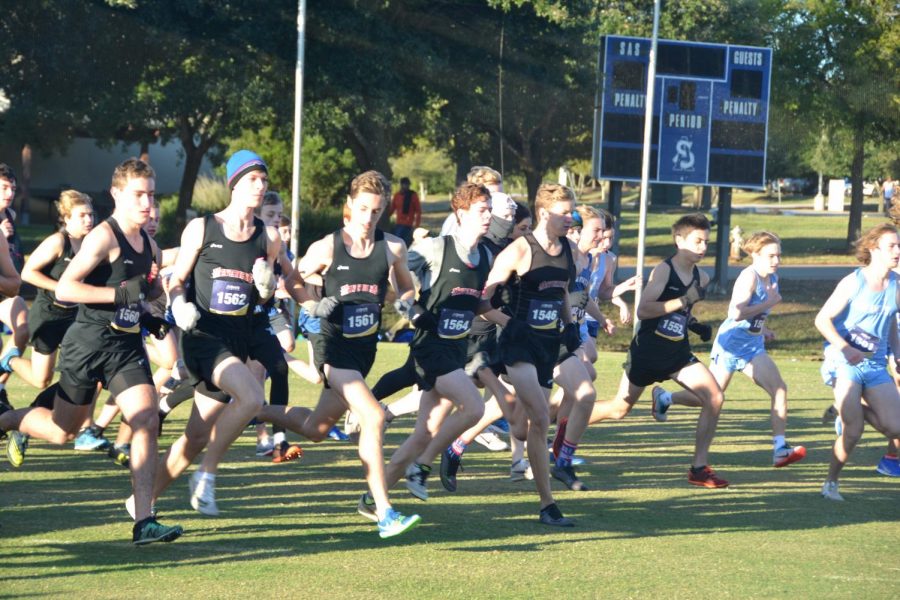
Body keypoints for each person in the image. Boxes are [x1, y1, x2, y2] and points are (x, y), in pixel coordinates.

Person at [0, 158, 182, 545]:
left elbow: (146, 293)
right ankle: (9, 421)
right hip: (86, 347)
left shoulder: (149, 244)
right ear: (117, 194)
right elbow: (66, 288)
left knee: (147, 417)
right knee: (63, 432)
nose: (147, 202)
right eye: (139, 194)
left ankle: (144, 520)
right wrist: (120, 295)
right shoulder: (104, 236)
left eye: (151, 194)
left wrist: (153, 313)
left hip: (125, 347)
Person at [257, 170, 421, 539]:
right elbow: (291, 279)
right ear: (349, 206)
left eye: (377, 211)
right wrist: (312, 305)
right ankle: (383, 511)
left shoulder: (393, 248)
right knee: (374, 417)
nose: (369, 218)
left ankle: (252, 408)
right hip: (332, 349)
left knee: (317, 429)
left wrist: (408, 304)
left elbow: (406, 289)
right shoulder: (327, 247)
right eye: (363, 209)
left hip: (364, 351)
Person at [135, 149, 281, 519]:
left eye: (263, 180)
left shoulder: (269, 237)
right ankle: (207, 474)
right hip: (202, 337)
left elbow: (264, 294)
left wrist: (266, 287)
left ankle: (141, 503)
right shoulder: (202, 228)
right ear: (233, 183)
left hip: (237, 341)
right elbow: (178, 280)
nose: (260, 186)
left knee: (195, 437)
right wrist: (180, 304)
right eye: (252, 179)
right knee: (251, 398)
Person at [584, 213, 729, 488]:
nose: (702, 247)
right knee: (619, 409)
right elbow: (645, 309)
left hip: (677, 353)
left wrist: (695, 325)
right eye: (697, 241)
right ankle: (568, 426)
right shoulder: (664, 270)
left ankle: (699, 468)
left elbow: (681, 312)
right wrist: (685, 299)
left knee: (715, 398)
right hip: (648, 352)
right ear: (679, 240)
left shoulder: (703, 276)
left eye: (706, 242)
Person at [372, 181, 492, 506]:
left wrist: (509, 321)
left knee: (424, 432)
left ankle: (373, 496)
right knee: (476, 408)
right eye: (482, 210)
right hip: (430, 349)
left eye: (490, 209)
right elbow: (393, 271)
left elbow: (477, 303)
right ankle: (423, 467)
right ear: (461, 212)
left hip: (456, 350)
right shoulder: (436, 248)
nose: (488, 216)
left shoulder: (486, 255)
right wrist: (410, 307)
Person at [652, 231, 806, 469]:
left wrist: (763, 329)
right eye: (771, 256)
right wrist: (768, 304)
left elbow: (755, 315)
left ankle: (779, 449)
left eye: (779, 255)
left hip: (752, 347)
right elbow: (735, 313)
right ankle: (665, 397)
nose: (777, 261)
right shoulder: (749, 277)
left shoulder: (773, 279)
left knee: (779, 389)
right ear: (755, 255)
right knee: (710, 398)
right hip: (730, 346)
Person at [480, 183, 580, 526]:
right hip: (517, 345)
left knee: (532, 427)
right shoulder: (518, 251)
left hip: (548, 346)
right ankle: (549, 504)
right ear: (543, 213)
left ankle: (459, 443)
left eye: (573, 212)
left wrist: (570, 325)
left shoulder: (568, 249)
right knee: (539, 418)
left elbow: (563, 290)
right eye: (565, 212)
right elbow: (482, 304)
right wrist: (510, 323)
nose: (572, 218)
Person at [815, 223, 900, 500]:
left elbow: (891, 325)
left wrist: (896, 354)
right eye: (892, 246)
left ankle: (848, 407)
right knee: (853, 432)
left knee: (895, 427)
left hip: (874, 366)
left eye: (898, 246)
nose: (898, 251)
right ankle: (831, 483)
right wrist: (845, 347)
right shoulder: (854, 281)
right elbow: (822, 320)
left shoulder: (897, 285)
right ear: (874, 249)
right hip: (844, 362)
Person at [0, 164, 30, 406]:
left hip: (5, 289)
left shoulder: (11, 216)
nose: (9, 193)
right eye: (4, 188)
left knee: (23, 327)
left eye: (13, 188)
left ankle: (0, 384)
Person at [387, 177, 421, 246]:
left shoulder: (413, 195)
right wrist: (385, 217)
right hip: (399, 223)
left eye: (407, 184)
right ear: (401, 185)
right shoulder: (397, 195)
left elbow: (418, 211)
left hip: (408, 224)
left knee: (403, 243)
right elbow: (392, 209)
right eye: (404, 184)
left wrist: (416, 225)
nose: (406, 186)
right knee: (397, 242)